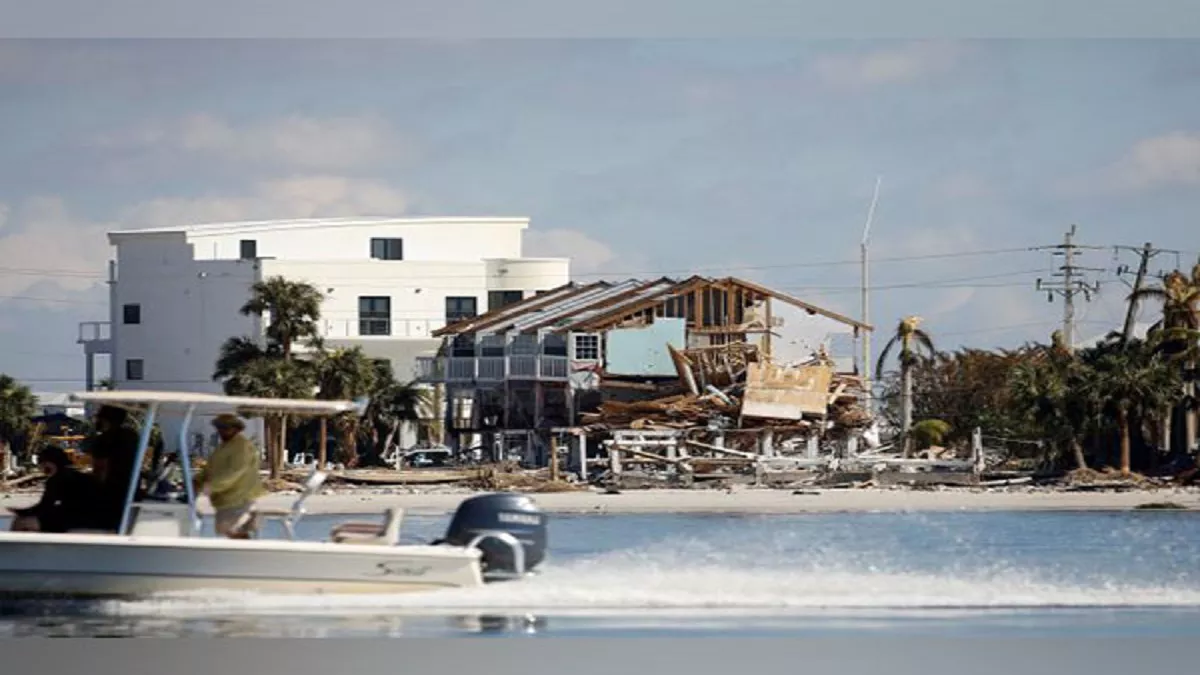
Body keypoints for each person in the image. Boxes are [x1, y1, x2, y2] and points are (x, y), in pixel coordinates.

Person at [193, 413, 266, 539]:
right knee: (232, 533)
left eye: (226, 428)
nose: (222, 431)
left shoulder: (241, 446)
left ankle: (243, 557)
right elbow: (211, 467)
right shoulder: (224, 446)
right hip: (228, 498)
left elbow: (235, 471)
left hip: (239, 497)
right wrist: (196, 481)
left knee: (234, 532)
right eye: (220, 428)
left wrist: (212, 486)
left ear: (236, 428)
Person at [8, 445, 104, 533]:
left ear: (49, 463)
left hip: (79, 521)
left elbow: (44, 506)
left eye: (42, 464)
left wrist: (22, 512)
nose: (41, 468)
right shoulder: (78, 476)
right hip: (93, 519)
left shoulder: (57, 480)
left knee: (23, 523)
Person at [85, 405, 142, 532]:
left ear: (105, 420)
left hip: (111, 494)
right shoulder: (132, 436)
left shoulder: (103, 440)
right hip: (132, 490)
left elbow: (100, 470)